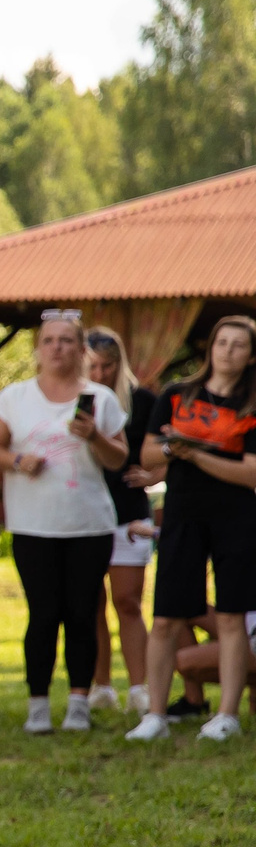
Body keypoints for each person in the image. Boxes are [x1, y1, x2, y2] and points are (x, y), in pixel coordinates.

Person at [0, 311, 126, 732]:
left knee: (83, 613)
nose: (57, 348)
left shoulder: (100, 398)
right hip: (33, 524)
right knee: (43, 614)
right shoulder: (14, 398)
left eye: (66, 341)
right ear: (37, 349)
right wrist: (15, 460)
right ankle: (38, 704)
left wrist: (94, 437)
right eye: (49, 341)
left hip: (88, 523)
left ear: (81, 349)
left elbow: (119, 458)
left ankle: (79, 701)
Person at [127, 315, 256, 742]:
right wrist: (171, 447)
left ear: (250, 355)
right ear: (210, 348)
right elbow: (147, 456)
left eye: (238, 345)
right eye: (222, 342)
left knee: (233, 615)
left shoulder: (251, 407)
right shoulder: (176, 396)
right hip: (181, 515)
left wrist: (196, 455)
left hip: (236, 518)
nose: (228, 351)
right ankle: (155, 715)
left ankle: (225, 715)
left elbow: (251, 473)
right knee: (165, 616)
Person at [85, 327, 156, 716]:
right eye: (92, 366)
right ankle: (100, 686)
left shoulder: (143, 401)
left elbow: (166, 449)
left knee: (127, 601)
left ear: (120, 363)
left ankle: (139, 686)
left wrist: (155, 476)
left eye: (107, 366)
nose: (99, 374)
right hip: (85, 513)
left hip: (128, 513)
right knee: (91, 603)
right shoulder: (74, 402)